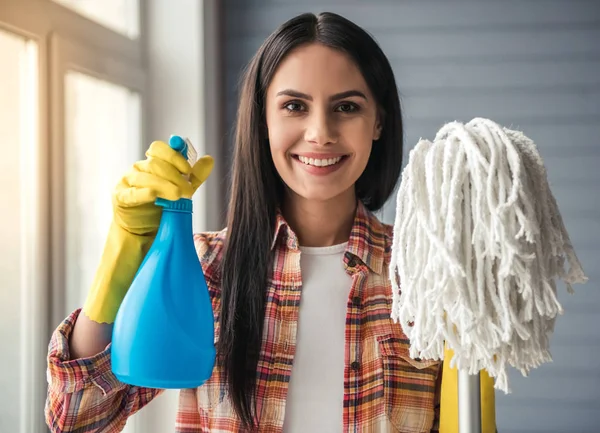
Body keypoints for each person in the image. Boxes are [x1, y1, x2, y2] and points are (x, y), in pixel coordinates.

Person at [45, 11, 496, 433]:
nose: (320, 132)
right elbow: (77, 421)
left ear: (378, 120)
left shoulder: (427, 277)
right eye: (295, 106)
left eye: (346, 107)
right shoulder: (205, 271)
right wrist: (122, 253)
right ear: (262, 119)